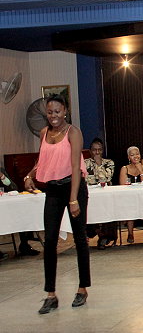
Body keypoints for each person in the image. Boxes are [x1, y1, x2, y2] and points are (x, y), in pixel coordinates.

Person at [23, 94, 91, 314]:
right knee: (50, 240)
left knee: (80, 238)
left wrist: (73, 199)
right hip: (52, 189)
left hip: (73, 186)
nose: (54, 115)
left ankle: (82, 289)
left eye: (57, 111)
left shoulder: (73, 132)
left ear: (65, 112)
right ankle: (50, 295)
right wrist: (30, 174)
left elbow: (75, 166)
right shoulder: (44, 133)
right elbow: (43, 160)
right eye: (50, 112)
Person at [84, 138, 117, 249]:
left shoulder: (109, 163)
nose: (97, 152)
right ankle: (98, 232)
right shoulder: (85, 163)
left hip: (105, 196)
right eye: (94, 150)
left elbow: (106, 178)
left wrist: (98, 164)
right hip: (90, 195)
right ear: (90, 151)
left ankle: (105, 237)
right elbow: (86, 180)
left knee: (109, 211)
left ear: (102, 151)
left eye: (99, 150)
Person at [118, 146, 143, 244]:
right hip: (128, 198)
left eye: (137, 154)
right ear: (128, 157)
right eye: (132, 155)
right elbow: (122, 186)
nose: (135, 156)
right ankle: (130, 233)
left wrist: (140, 171)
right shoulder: (124, 169)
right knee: (131, 205)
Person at [0, 167, 40, 257]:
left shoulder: (1, 170)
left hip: (5, 207)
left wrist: (2, 177)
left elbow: (14, 188)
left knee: (21, 212)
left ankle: (24, 245)